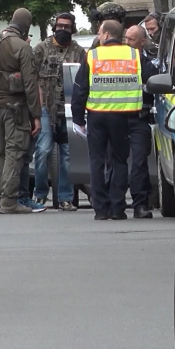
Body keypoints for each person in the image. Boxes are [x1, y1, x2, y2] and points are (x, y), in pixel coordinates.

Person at [72, 20, 146, 221]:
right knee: (119, 161)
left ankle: (101, 210)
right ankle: (117, 208)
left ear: (105, 35)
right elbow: (147, 79)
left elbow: (80, 89)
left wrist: (78, 118)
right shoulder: (133, 55)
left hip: (97, 115)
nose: (98, 35)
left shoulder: (93, 55)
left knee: (97, 161)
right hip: (123, 116)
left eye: (99, 32)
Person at [0, 8, 44, 214]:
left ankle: (2, 197)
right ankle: (9, 201)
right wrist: (36, 115)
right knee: (14, 154)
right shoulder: (22, 47)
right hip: (14, 110)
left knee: (0, 154)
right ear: (26, 26)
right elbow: (31, 85)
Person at [30, 12, 85, 211]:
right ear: (54, 27)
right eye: (59, 26)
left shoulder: (79, 51)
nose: (62, 30)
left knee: (68, 155)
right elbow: (32, 77)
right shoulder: (40, 49)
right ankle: (40, 194)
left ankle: (65, 197)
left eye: (67, 27)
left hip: (68, 109)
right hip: (45, 108)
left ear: (73, 29)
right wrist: (36, 105)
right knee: (43, 150)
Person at [121, 25, 157, 219]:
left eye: (131, 40)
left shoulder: (149, 66)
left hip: (139, 118)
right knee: (115, 162)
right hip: (117, 118)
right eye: (125, 38)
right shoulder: (117, 64)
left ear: (142, 42)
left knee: (138, 162)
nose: (127, 43)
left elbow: (152, 94)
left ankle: (140, 205)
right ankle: (115, 205)